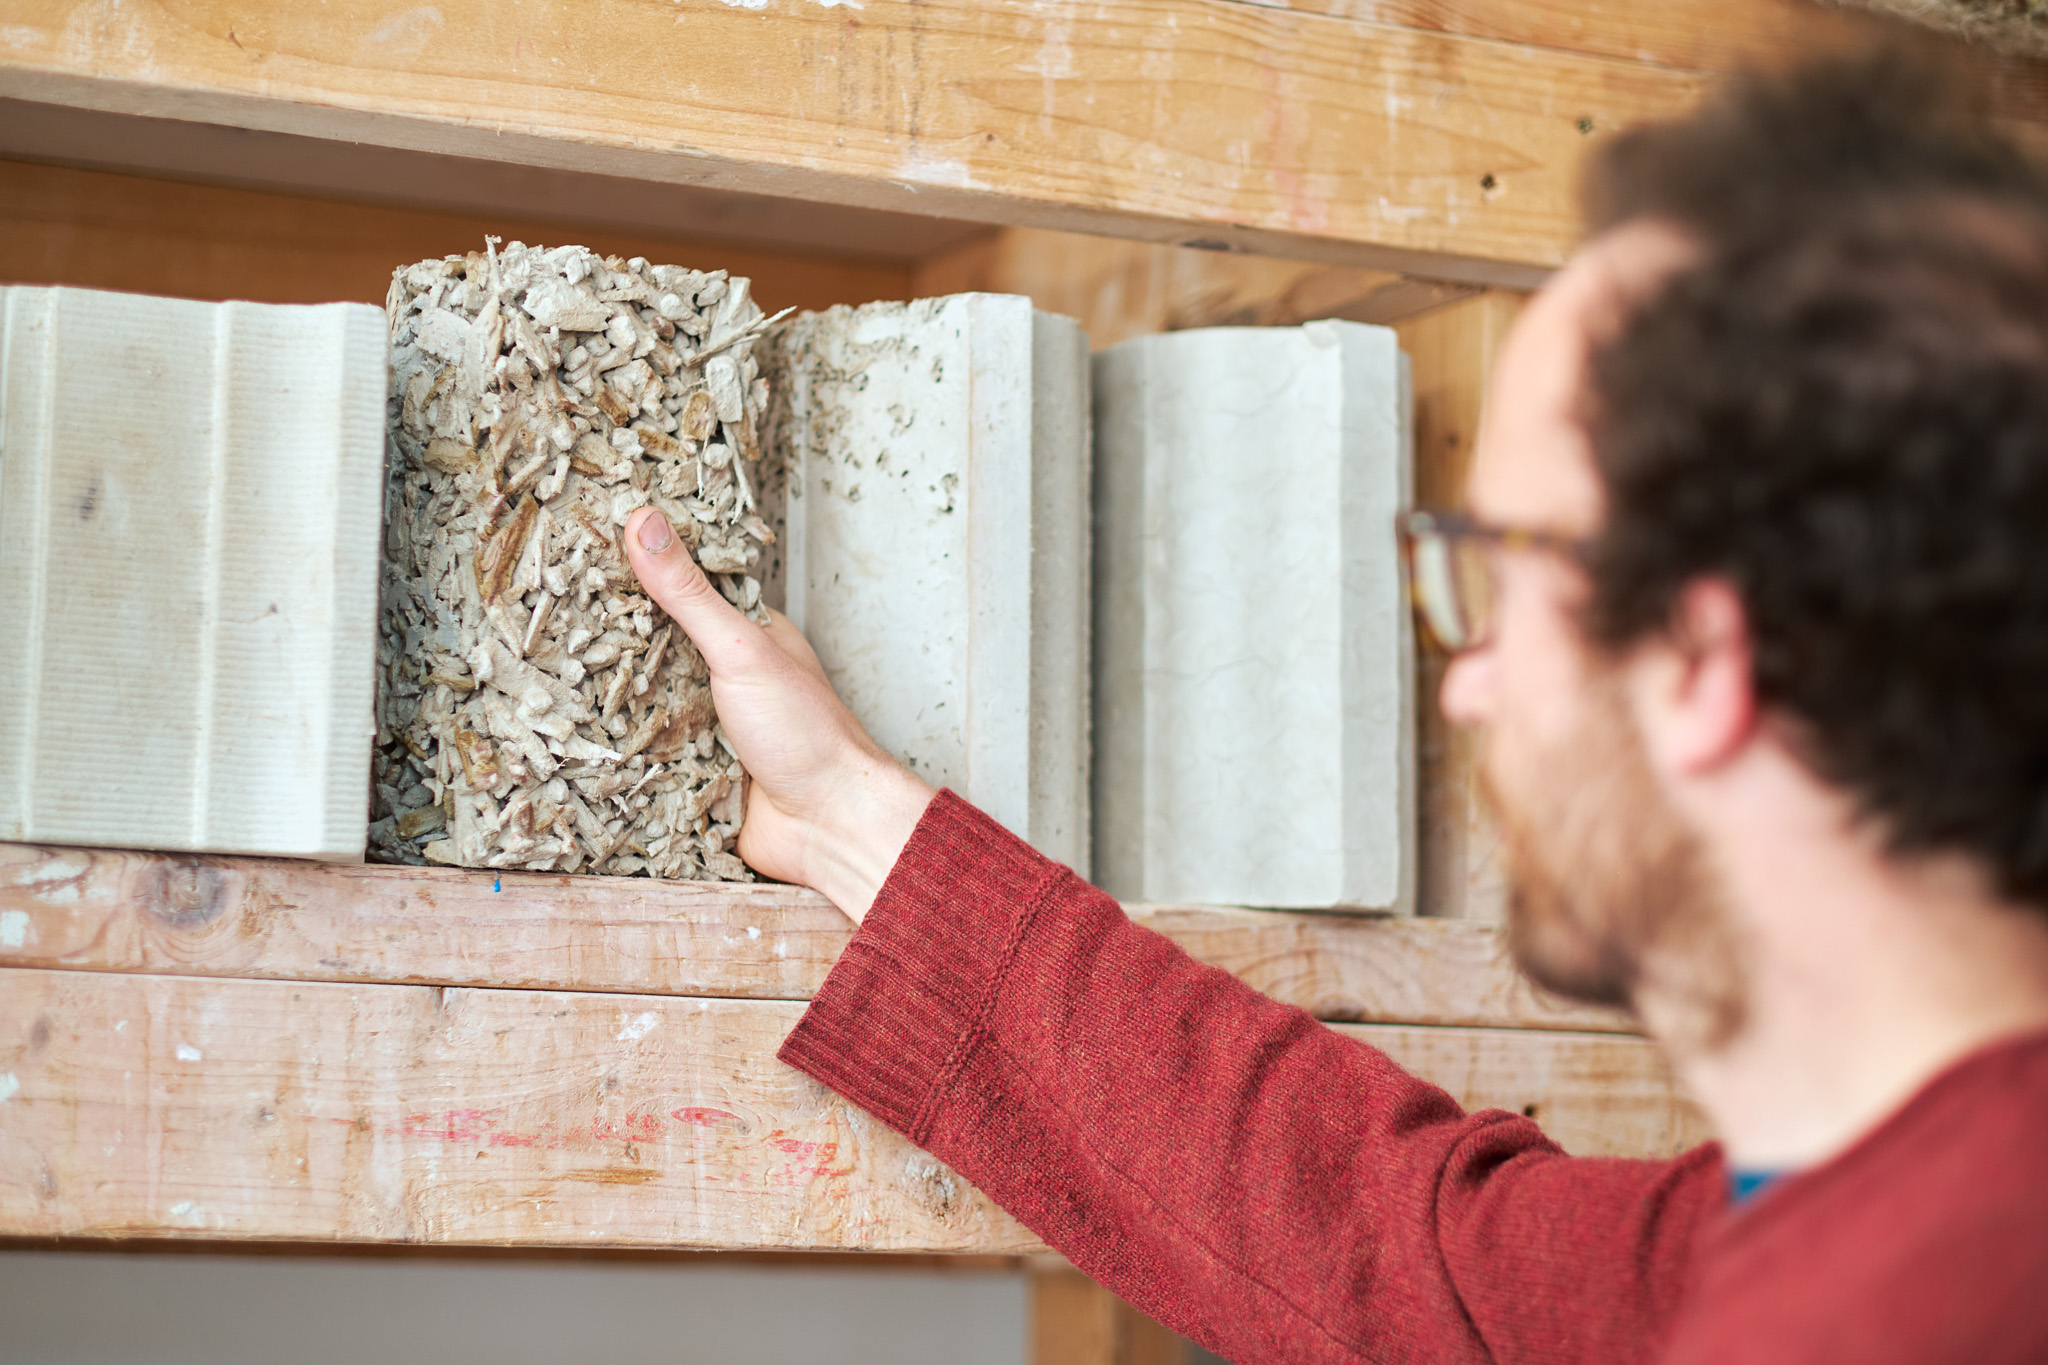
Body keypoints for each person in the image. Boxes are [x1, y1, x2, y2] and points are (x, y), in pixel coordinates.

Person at [619, 46, 2048, 1364]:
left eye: (1503, 577)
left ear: (1701, 662)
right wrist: (849, 816)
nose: (1467, 679)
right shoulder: (1810, 1236)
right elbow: (1401, 1255)